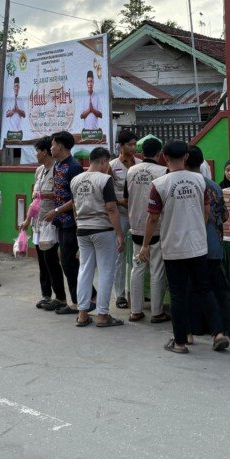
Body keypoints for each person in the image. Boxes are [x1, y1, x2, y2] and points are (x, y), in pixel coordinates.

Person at [139, 139, 228, 355]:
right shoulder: (199, 180)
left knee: (178, 294)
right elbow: (206, 210)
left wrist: (145, 245)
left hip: (174, 246)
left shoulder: (159, 184)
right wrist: (196, 227)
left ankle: (180, 342)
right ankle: (218, 333)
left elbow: (152, 218)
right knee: (204, 289)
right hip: (198, 245)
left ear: (165, 158)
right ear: (186, 157)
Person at [186, 146, 230, 349]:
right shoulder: (214, 186)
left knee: (189, 289)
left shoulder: (185, 185)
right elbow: (224, 216)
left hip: (191, 247)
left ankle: (188, 333)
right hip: (214, 245)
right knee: (221, 291)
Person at [70, 147, 124, 328]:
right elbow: (111, 208)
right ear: (103, 161)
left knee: (84, 271)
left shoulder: (75, 180)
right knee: (106, 271)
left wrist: (79, 226)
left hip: (82, 230)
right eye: (107, 163)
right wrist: (119, 234)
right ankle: (102, 315)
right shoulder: (104, 179)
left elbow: (74, 208)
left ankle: (82, 314)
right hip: (102, 229)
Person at [126, 136, 169, 324]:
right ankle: (157, 312)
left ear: (142, 153)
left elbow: (126, 196)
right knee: (157, 270)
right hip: (157, 227)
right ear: (160, 154)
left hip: (136, 226)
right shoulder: (164, 172)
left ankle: (135, 311)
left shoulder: (131, 171)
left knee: (137, 268)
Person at [25, 137, 67, 312]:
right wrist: (28, 219)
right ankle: (46, 294)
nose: (36, 154)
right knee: (42, 260)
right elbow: (35, 198)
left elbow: (62, 195)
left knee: (51, 259)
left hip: (51, 222)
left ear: (44, 152)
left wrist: (46, 195)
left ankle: (60, 297)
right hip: (37, 222)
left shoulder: (58, 170)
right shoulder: (39, 171)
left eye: (37, 151)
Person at [44, 131, 83, 314]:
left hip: (71, 222)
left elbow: (77, 198)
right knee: (65, 261)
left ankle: (77, 302)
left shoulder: (74, 167)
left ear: (59, 146)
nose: (50, 148)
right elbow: (59, 191)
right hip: (60, 222)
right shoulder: (58, 165)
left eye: (52, 144)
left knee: (68, 262)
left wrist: (57, 210)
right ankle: (87, 295)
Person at [108, 128, 137, 309]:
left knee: (138, 255)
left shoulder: (140, 164)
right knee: (119, 255)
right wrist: (120, 203)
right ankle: (119, 294)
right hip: (120, 215)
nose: (133, 148)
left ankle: (136, 292)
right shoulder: (112, 166)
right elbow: (107, 193)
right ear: (121, 146)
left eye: (135, 144)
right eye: (130, 145)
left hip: (138, 215)